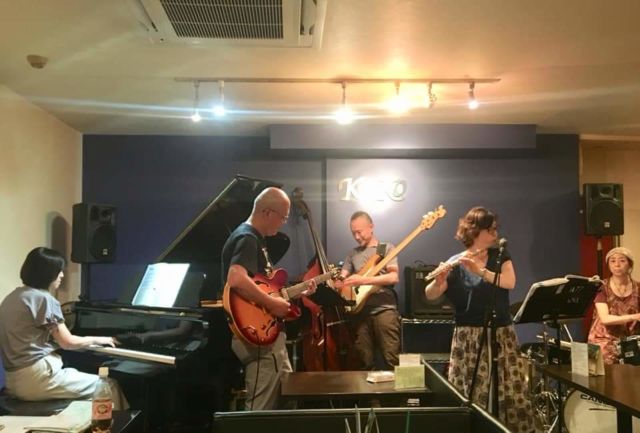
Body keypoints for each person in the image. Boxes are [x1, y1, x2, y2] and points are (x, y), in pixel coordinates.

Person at [425, 207, 535, 433]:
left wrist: (480, 270)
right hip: (469, 335)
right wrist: (439, 281)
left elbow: (509, 282)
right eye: (490, 229)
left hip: (499, 332)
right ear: (475, 231)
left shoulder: (500, 255)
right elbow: (430, 295)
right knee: (471, 389)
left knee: (507, 388)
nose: (495, 233)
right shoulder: (456, 261)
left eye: (495, 229)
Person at [222, 187, 316, 410]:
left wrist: (297, 293)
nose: (283, 223)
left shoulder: (256, 239)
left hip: (269, 341)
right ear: (266, 212)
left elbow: (265, 289)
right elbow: (236, 278)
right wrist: (273, 304)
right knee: (259, 412)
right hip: (259, 338)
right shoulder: (247, 237)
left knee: (287, 400)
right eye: (283, 217)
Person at [0, 247, 127, 409]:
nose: (62, 275)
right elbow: (67, 343)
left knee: (79, 380)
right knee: (108, 386)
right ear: (47, 273)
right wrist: (101, 339)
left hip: (13, 380)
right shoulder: (43, 299)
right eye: (59, 270)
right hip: (36, 379)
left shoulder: (12, 297)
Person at [334, 211, 400, 371]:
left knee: (392, 359)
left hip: (384, 310)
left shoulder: (386, 248)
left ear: (371, 227)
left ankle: (396, 389)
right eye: (353, 233)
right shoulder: (352, 254)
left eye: (359, 231)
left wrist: (363, 280)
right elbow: (342, 280)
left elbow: (393, 277)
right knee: (364, 362)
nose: (357, 237)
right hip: (360, 313)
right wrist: (338, 282)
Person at [588, 247, 640, 364]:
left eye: (622, 260)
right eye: (612, 261)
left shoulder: (638, 287)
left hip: (630, 341)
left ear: (630, 265)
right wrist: (635, 317)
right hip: (603, 340)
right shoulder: (602, 287)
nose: (617, 265)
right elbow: (605, 319)